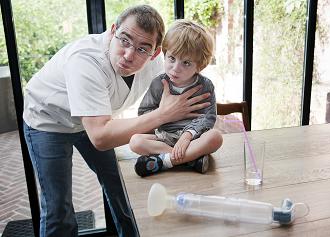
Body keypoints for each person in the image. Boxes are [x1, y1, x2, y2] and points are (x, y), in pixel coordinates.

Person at [22, 5, 210, 237]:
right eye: (124, 40)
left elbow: (187, 70)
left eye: (142, 49)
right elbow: (100, 137)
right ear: (112, 32)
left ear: (155, 53)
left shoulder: (158, 64)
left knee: (119, 187)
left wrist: (192, 131)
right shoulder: (85, 61)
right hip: (48, 120)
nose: (129, 55)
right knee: (58, 207)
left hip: (96, 120)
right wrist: (164, 114)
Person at [130, 19, 223, 177]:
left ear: (199, 66)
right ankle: (191, 160)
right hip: (165, 137)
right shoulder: (159, 84)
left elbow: (208, 117)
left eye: (186, 63)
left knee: (215, 137)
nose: (175, 68)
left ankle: (165, 161)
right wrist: (163, 113)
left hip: (193, 139)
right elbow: (144, 113)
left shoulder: (205, 86)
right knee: (135, 142)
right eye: (172, 58)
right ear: (165, 54)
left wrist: (187, 136)